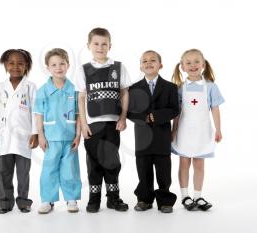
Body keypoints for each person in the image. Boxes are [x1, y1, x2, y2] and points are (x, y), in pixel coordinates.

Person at [76, 27, 131, 213]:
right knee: (93, 161)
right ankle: (94, 199)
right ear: (89, 46)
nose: (100, 47)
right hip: (92, 123)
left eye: (104, 44)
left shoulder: (118, 67)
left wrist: (123, 117)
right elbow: (81, 98)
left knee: (112, 161)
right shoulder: (84, 70)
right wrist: (83, 124)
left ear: (110, 45)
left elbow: (124, 92)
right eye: (96, 44)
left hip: (112, 122)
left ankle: (113, 198)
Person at [0, 49, 38, 214]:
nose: (15, 66)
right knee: (3, 171)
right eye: (11, 63)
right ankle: (5, 202)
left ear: (26, 66)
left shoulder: (30, 87)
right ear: (6, 65)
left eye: (20, 63)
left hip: (24, 137)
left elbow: (36, 111)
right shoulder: (0, 87)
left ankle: (23, 201)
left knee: (23, 173)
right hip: (4, 136)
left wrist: (35, 133)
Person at [171, 49, 224, 211]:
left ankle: (198, 196)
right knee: (184, 163)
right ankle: (185, 196)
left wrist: (218, 129)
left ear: (203, 64)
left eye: (196, 62)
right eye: (188, 62)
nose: (192, 65)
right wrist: (174, 131)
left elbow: (215, 109)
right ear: (182, 66)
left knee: (199, 165)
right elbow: (177, 113)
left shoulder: (210, 87)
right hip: (184, 132)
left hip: (202, 132)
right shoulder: (180, 88)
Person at [128, 50, 179, 213]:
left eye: (152, 60)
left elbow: (174, 109)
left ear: (160, 65)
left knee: (163, 170)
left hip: (162, 135)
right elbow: (128, 111)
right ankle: (144, 199)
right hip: (142, 137)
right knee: (143, 169)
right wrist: (144, 117)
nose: (148, 63)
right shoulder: (133, 88)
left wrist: (155, 116)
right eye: (144, 61)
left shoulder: (171, 87)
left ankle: (165, 200)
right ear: (141, 67)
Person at [34, 48, 82, 214]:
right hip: (51, 138)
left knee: (70, 168)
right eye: (54, 64)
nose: (58, 67)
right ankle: (47, 200)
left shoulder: (74, 91)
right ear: (48, 67)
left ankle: (71, 198)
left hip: (69, 139)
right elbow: (38, 115)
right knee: (49, 169)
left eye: (62, 63)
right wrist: (40, 135)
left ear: (68, 65)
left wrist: (78, 135)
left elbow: (78, 115)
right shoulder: (42, 91)